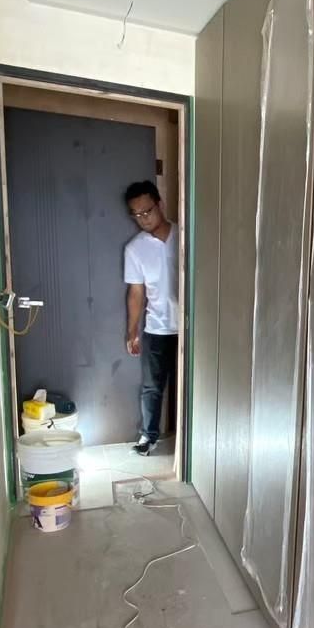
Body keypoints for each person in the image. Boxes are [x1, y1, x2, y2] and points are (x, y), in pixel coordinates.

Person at [123, 180, 179, 454]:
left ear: (160, 205)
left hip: (193, 327)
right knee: (152, 387)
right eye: (137, 214)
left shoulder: (185, 236)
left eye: (147, 211)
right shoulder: (135, 249)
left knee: (193, 383)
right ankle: (149, 436)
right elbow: (136, 293)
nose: (143, 219)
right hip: (157, 328)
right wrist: (132, 330)